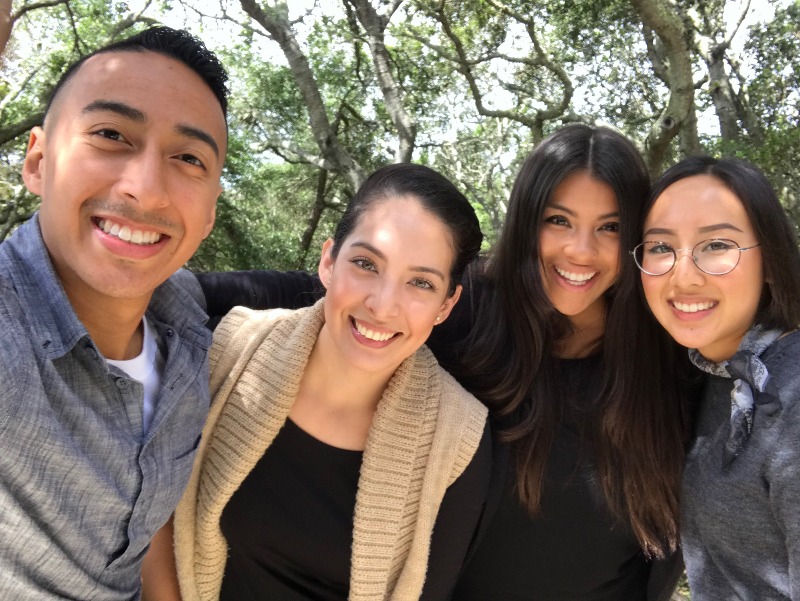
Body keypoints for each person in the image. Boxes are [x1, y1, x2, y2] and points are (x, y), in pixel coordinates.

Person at [196, 124, 695, 600]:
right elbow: (325, 290)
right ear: (527, 221)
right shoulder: (469, 310)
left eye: (610, 227)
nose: (580, 250)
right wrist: (171, 286)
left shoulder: (669, 361)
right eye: (558, 220)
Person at [145, 163, 491, 601]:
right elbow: (154, 511)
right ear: (328, 261)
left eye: (421, 283)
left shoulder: (459, 438)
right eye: (366, 264)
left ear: (445, 305)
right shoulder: (227, 350)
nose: (383, 306)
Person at [0, 27, 228, 599]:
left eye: (188, 158)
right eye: (110, 135)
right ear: (38, 161)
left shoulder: (187, 331)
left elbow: (150, 533)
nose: (146, 190)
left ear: (208, 215)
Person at [633, 156, 800, 600]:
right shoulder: (711, 371)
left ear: (770, 259)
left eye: (717, 245)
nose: (684, 276)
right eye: (661, 247)